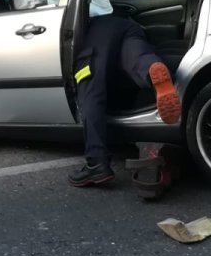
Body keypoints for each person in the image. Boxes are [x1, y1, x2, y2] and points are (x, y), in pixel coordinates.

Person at [69, 15, 180, 187]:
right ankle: (151, 70)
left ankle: (96, 163)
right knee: (135, 58)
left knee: (90, 90)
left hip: (98, 27)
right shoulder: (105, 3)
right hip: (130, 25)